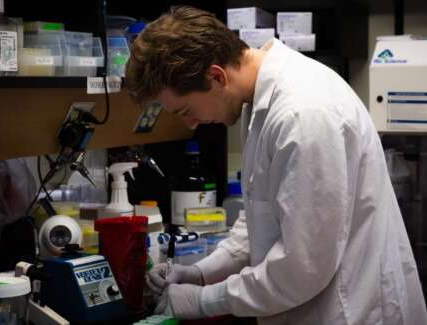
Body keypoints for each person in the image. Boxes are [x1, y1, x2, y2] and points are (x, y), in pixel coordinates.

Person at [125, 6, 427, 325]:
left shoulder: (303, 114)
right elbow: (262, 216)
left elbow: (301, 269)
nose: (191, 124)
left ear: (216, 76)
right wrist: (201, 272)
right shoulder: (255, 100)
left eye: (185, 109)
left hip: (349, 312)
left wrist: (203, 300)